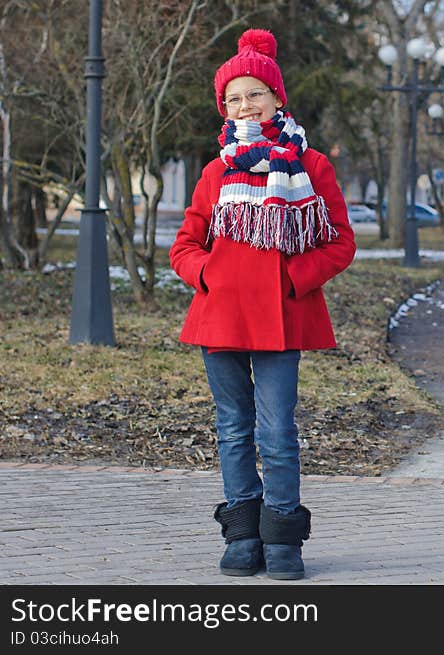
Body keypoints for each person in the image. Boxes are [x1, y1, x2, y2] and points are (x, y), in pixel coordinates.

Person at [169, 28, 356, 580]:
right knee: (231, 429)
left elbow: (340, 241)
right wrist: (207, 275)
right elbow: (184, 245)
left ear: (277, 98)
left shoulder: (312, 166)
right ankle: (242, 537)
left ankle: (282, 539)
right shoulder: (215, 171)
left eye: (254, 93)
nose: (244, 105)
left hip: (280, 317)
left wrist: (292, 280)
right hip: (220, 316)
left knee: (276, 432)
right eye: (233, 98)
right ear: (224, 108)